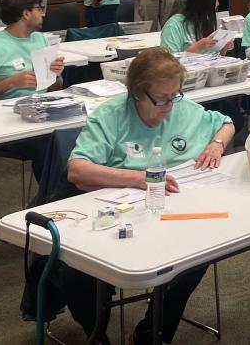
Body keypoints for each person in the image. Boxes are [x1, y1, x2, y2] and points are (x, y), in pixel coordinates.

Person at [64, 48, 234, 345]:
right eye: (161, 99)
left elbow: (226, 122)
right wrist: (136, 178)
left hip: (173, 211)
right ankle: (97, 335)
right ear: (137, 94)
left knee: (199, 255)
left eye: (175, 96)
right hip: (118, 214)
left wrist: (216, 145)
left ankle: (150, 334)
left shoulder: (182, 108)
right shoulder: (112, 115)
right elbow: (77, 171)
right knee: (74, 273)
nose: (169, 105)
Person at [160, 0, 233, 54]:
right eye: (216, 1)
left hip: (210, 64)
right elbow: (170, 59)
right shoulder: (174, 25)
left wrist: (223, 49)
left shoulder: (208, 20)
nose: (218, 4)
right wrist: (199, 46)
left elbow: (213, 55)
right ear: (206, 4)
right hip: (184, 65)